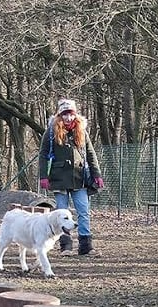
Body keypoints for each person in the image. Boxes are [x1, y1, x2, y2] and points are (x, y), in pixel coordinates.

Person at [38, 99, 105, 256]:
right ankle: (66, 247)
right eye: (65, 114)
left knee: (83, 212)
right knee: (62, 214)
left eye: (71, 114)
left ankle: (86, 247)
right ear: (60, 115)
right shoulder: (51, 131)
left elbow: (90, 154)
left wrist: (97, 174)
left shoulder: (82, 131)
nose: (68, 118)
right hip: (59, 178)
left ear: (75, 115)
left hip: (79, 178)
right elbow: (43, 155)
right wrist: (43, 176)